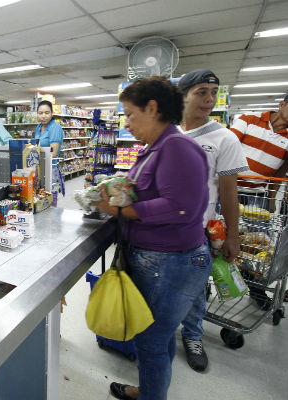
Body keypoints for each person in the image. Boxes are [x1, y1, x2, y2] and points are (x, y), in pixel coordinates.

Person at [92, 76, 212, 400]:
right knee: (157, 338)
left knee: (150, 340)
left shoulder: (176, 146)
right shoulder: (157, 148)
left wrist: (116, 210)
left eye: (130, 114)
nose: (126, 123)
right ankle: (149, 390)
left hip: (171, 263)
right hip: (162, 261)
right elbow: (154, 192)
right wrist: (117, 191)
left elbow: (180, 207)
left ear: (153, 108)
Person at [177, 69, 249, 372]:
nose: (209, 99)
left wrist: (232, 236)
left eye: (213, 92)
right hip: (162, 230)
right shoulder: (168, 131)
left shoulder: (224, 138)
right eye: (201, 92)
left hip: (198, 231)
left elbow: (229, 194)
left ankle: (193, 336)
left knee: (194, 289)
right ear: (183, 95)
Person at [230, 93, 288, 309]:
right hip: (229, 191)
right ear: (282, 104)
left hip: (258, 197)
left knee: (258, 244)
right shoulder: (248, 119)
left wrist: (271, 198)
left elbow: (281, 172)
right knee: (220, 237)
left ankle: (256, 288)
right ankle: (209, 281)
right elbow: (225, 149)